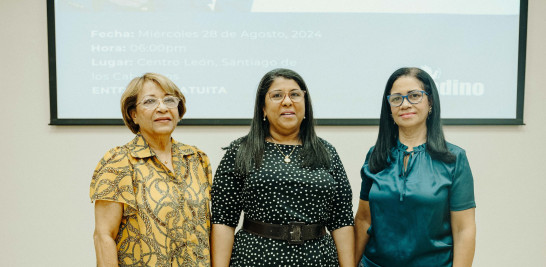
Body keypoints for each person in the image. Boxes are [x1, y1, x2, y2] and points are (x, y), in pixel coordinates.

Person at [211, 68, 355, 266]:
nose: (287, 101)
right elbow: (223, 221)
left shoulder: (326, 151)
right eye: (277, 95)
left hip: (318, 259)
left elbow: (342, 222)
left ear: (305, 104)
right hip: (255, 259)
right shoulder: (241, 150)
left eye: (295, 95)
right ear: (263, 107)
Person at [354, 67, 476, 267]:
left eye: (414, 96)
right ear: (389, 108)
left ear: (430, 102)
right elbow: (363, 220)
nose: (404, 104)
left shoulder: (454, 159)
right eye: (396, 98)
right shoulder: (375, 155)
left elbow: (464, 229)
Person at [90, 73, 212, 266]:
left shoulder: (196, 159)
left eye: (170, 101)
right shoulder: (119, 161)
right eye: (150, 101)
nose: (162, 108)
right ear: (134, 114)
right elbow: (104, 236)